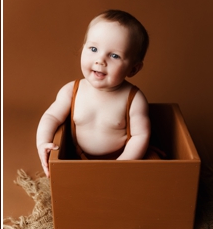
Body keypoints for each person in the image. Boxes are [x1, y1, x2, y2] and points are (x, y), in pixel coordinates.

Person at [36, 10, 152, 178]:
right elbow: (51, 117)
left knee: (151, 176)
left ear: (133, 69)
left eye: (114, 55)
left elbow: (140, 136)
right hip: (80, 159)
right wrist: (42, 142)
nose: (100, 60)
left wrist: (122, 164)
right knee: (70, 186)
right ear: (83, 49)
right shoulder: (71, 91)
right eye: (93, 48)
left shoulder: (134, 99)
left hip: (123, 159)